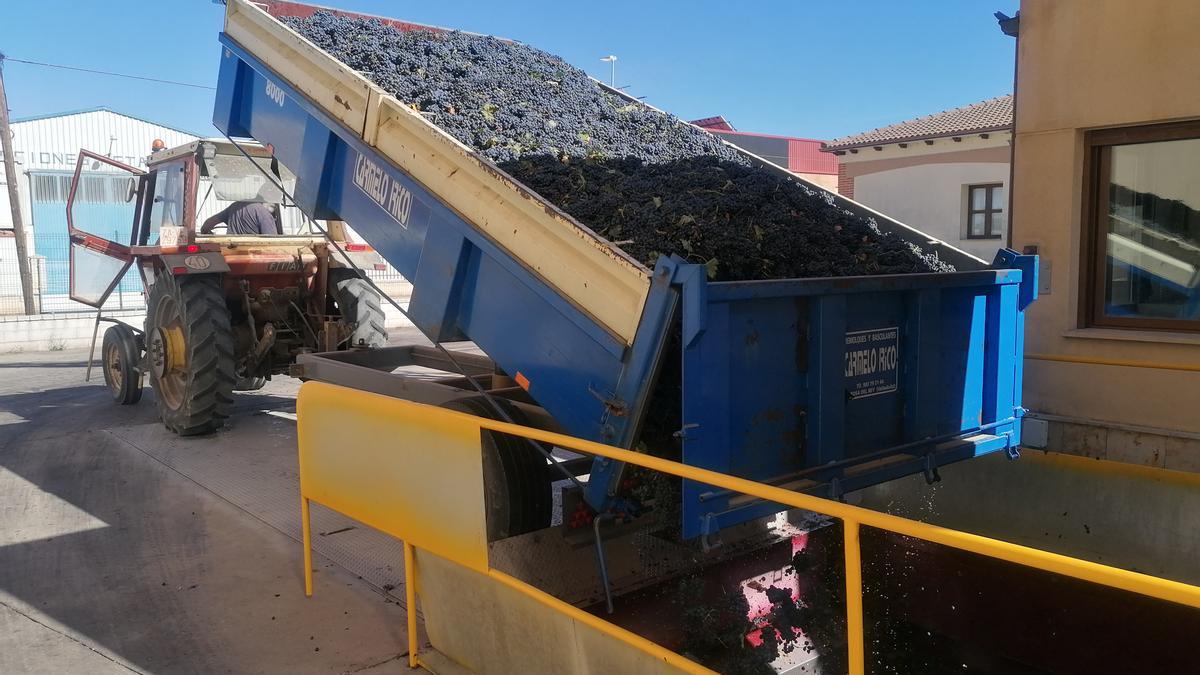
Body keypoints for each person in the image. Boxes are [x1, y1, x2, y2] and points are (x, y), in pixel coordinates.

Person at [200, 185, 283, 235]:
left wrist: (208, 235)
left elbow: (207, 224)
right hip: (253, 257)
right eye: (276, 199)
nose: (275, 204)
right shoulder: (264, 214)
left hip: (230, 254)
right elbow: (272, 241)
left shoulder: (236, 206)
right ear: (268, 195)